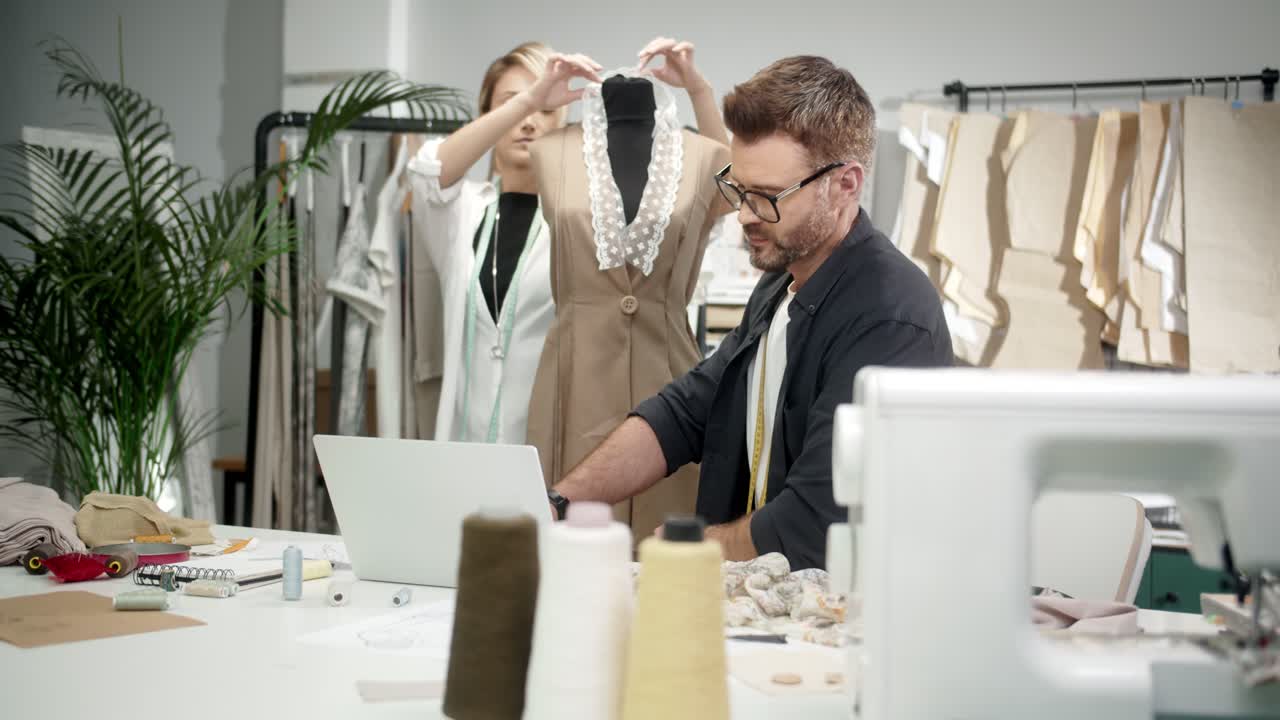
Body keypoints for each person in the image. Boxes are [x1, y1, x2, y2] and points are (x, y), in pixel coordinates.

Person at [545, 56, 954, 569]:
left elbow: (815, 520)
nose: (743, 216)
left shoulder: (890, 321)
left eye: (766, 197)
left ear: (846, 184)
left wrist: (685, 552)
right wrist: (560, 502)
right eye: (737, 188)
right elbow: (687, 411)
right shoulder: (783, 281)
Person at [406, 43, 602, 444]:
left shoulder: (578, 223)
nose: (529, 120)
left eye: (546, 110)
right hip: (461, 447)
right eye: (512, 105)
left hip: (542, 451)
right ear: (489, 119)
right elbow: (428, 172)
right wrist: (533, 98)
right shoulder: (460, 212)